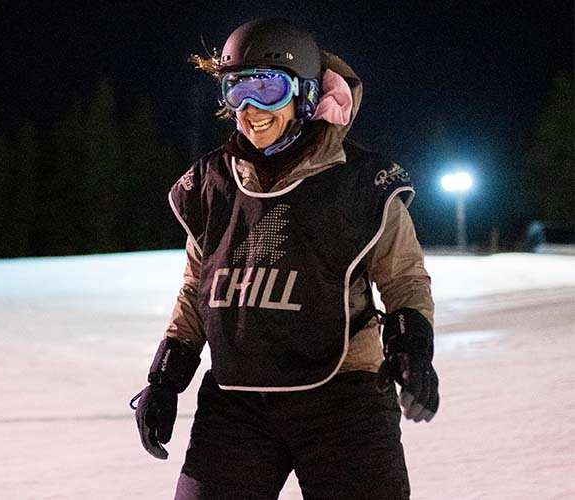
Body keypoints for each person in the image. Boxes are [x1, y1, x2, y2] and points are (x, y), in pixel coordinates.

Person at [131, 18, 439, 499]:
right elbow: (198, 289)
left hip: (342, 397)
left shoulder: (359, 183)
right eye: (237, 91)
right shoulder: (212, 183)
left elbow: (404, 279)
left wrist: (412, 346)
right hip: (237, 401)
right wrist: (166, 378)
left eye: (268, 89)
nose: (251, 109)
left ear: (308, 95)